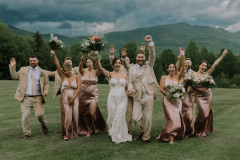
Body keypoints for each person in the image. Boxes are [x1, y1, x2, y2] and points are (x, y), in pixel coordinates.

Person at [128, 35, 159, 144]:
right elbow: (130, 82)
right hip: (136, 97)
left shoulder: (149, 66)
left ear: (144, 58)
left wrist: (150, 43)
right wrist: (130, 88)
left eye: (142, 57)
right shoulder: (131, 69)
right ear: (136, 58)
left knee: (148, 119)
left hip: (148, 96)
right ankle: (140, 132)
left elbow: (152, 56)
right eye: (139, 57)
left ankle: (146, 137)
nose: (140, 59)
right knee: (136, 118)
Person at [9, 55, 49, 139]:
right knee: (25, 116)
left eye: (34, 60)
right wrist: (12, 66)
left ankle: (43, 125)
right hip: (26, 98)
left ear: (38, 61)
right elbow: (14, 76)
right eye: (30, 60)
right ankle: (27, 133)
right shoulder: (23, 69)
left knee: (39, 115)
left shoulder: (43, 72)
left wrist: (46, 90)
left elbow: (46, 83)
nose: (32, 62)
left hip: (38, 98)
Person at [97, 56, 132, 144]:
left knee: (119, 115)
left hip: (123, 98)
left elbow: (127, 88)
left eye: (119, 63)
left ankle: (118, 135)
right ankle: (114, 131)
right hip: (112, 98)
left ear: (121, 64)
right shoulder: (110, 74)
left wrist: (130, 91)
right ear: (113, 65)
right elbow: (100, 68)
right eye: (116, 63)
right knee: (113, 116)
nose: (117, 64)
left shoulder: (125, 75)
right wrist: (97, 58)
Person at [193, 49, 228, 138]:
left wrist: (222, 55)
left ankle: (203, 131)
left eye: (205, 66)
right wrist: (194, 95)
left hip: (208, 95)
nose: (204, 67)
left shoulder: (207, 74)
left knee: (207, 114)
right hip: (199, 96)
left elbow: (215, 64)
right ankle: (196, 128)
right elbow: (192, 86)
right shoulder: (193, 75)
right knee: (203, 114)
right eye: (202, 65)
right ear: (199, 65)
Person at [156, 48, 186, 144]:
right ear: (167, 69)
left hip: (177, 101)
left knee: (177, 118)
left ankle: (166, 134)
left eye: (173, 67)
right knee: (172, 119)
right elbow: (161, 89)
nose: (172, 69)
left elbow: (183, 66)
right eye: (170, 67)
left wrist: (183, 56)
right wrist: (168, 94)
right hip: (167, 100)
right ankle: (170, 137)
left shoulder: (178, 77)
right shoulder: (163, 77)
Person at [51, 50, 81, 140]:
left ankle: (74, 132)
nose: (66, 72)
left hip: (74, 97)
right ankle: (65, 134)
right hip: (64, 97)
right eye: (65, 71)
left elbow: (79, 88)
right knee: (66, 115)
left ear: (71, 69)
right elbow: (57, 64)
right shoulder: (63, 76)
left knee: (75, 115)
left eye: (68, 70)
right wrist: (54, 55)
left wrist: (73, 97)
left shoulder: (77, 77)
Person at [78, 55, 107, 137]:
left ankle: (96, 126)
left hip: (93, 95)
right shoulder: (83, 71)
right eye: (87, 62)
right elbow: (80, 68)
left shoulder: (96, 72)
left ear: (93, 64)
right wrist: (81, 60)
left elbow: (99, 67)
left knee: (92, 113)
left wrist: (98, 59)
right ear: (86, 63)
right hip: (83, 95)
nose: (89, 63)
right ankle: (89, 130)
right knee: (83, 114)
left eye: (90, 62)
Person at [109, 46, 134, 134]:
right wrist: (112, 55)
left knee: (130, 114)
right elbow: (113, 63)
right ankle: (124, 130)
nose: (126, 61)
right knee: (121, 113)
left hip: (132, 92)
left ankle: (126, 129)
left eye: (128, 60)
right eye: (124, 60)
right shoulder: (120, 68)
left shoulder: (132, 67)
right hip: (121, 93)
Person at [176, 56, 195, 138]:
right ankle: (182, 132)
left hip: (188, 101)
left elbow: (194, 88)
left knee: (190, 118)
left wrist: (192, 90)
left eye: (185, 70)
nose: (184, 71)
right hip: (180, 101)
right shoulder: (177, 78)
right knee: (181, 118)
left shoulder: (189, 79)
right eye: (182, 70)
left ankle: (190, 131)